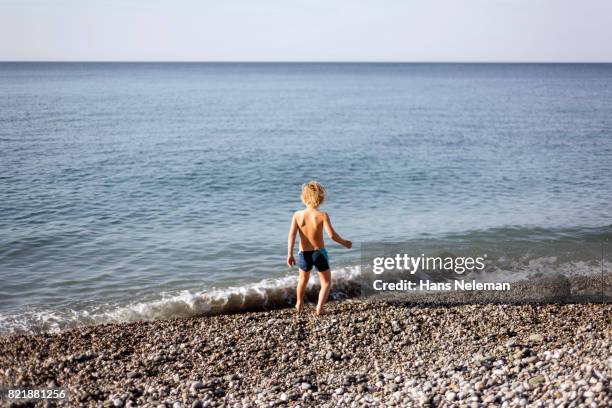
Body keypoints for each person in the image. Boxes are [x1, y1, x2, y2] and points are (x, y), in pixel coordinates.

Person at [287, 181, 352, 315]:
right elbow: (332, 235)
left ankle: (299, 303)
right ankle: (319, 308)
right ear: (320, 198)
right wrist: (344, 243)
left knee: (302, 280)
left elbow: (292, 235)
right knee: (326, 282)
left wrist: (289, 254)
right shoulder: (322, 215)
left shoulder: (297, 215)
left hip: (303, 254)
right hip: (319, 253)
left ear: (304, 197)